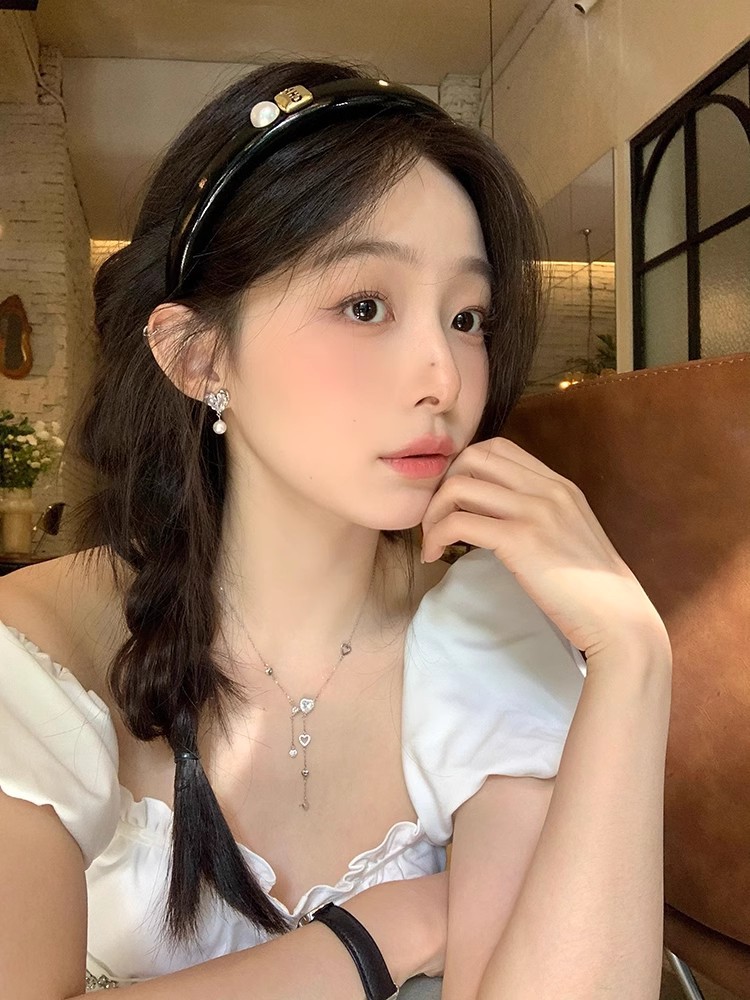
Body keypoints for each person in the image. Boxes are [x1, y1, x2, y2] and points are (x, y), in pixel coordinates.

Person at [0, 58, 672, 1000]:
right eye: (365, 306)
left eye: (468, 316)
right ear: (198, 356)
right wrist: (390, 928)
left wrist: (634, 657)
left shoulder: (483, 628)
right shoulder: (37, 653)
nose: (444, 376)